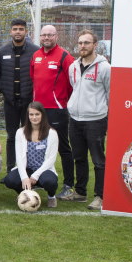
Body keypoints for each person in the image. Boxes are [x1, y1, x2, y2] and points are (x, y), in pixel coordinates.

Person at [63, 29, 111, 211]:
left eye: (87, 43)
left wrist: (108, 118)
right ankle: (80, 192)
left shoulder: (105, 68)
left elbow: (110, 94)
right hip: (75, 119)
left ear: (95, 45)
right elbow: (75, 89)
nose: (82, 46)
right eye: (80, 43)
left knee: (98, 160)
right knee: (79, 157)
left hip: (96, 119)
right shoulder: (73, 66)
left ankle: (100, 196)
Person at [30, 24, 75, 199]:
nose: (46, 38)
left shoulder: (65, 56)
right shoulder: (36, 55)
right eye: (44, 35)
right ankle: (39, 180)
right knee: (37, 145)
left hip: (57, 109)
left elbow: (73, 83)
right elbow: (33, 79)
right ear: (40, 37)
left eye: (50, 35)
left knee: (62, 147)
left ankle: (68, 185)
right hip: (38, 110)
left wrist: (63, 101)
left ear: (56, 36)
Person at [0, 18, 40, 173]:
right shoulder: (2, 52)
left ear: (26, 31)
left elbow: (39, 74)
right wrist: (3, 90)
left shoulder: (35, 51)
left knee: (29, 135)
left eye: (21, 29)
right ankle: (11, 169)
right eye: (15, 29)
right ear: (11, 31)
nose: (18, 32)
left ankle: (29, 168)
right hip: (10, 102)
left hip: (28, 102)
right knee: (12, 136)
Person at [3, 102, 60, 208]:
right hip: (27, 168)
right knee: (9, 180)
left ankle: (51, 196)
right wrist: (24, 177)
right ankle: (24, 193)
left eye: (37, 114)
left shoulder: (52, 133)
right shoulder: (20, 132)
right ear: (28, 116)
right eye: (31, 114)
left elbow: (51, 159)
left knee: (50, 182)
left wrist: (35, 175)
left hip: (44, 169)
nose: (34, 117)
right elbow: (19, 158)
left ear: (42, 115)